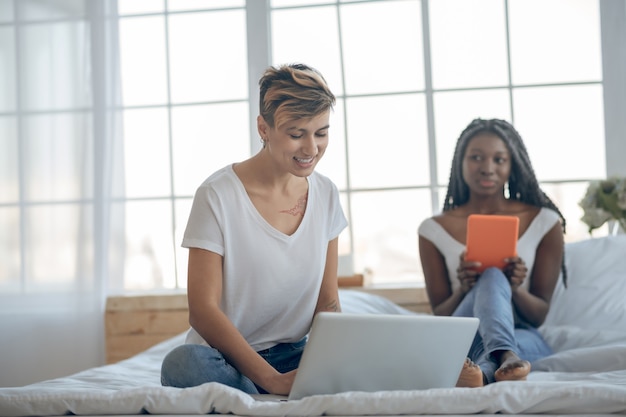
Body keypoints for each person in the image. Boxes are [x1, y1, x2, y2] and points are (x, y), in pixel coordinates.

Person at [160, 63, 347, 396]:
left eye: (321, 133)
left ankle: (258, 391)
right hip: (227, 357)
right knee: (182, 365)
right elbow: (203, 311)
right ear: (264, 127)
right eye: (296, 134)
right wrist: (272, 379)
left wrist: (326, 362)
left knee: (368, 355)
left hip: (296, 353)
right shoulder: (217, 194)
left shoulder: (327, 194)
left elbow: (328, 300)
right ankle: (262, 387)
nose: (311, 149)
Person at [418, 118, 566, 387]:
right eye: (476, 157)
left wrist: (515, 287)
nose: (487, 168)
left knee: (496, 278)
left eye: (499, 159)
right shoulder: (432, 229)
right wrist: (465, 288)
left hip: (522, 331)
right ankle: (506, 355)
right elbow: (441, 316)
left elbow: (539, 315)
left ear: (512, 165)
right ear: (460, 162)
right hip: (462, 332)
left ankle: (483, 373)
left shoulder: (545, 221)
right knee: (491, 275)